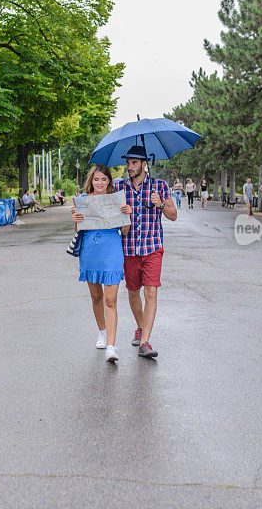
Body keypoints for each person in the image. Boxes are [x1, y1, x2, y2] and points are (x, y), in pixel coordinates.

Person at [114, 145, 177, 358]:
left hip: (152, 247)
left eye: (133, 163)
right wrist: (123, 215)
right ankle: (140, 326)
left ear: (144, 164)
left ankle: (145, 341)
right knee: (133, 292)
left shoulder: (160, 186)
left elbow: (173, 215)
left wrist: (160, 205)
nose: (129, 167)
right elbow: (113, 220)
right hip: (129, 248)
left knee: (151, 291)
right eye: (128, 162)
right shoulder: (119, 188)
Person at [71, 165, 130, 362]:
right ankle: (102, 332)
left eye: (104, 180)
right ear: (91, 180)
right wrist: (76, 218)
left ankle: (111, 347)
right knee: (96, 297)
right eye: (97, 179)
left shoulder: (116, 199)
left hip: (112, 249)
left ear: (109, 182)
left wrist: (126, 214)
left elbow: (125, 230)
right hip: (90, 250)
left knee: (110, 300)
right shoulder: (83, 199)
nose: (100, 183)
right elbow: (79, 227)